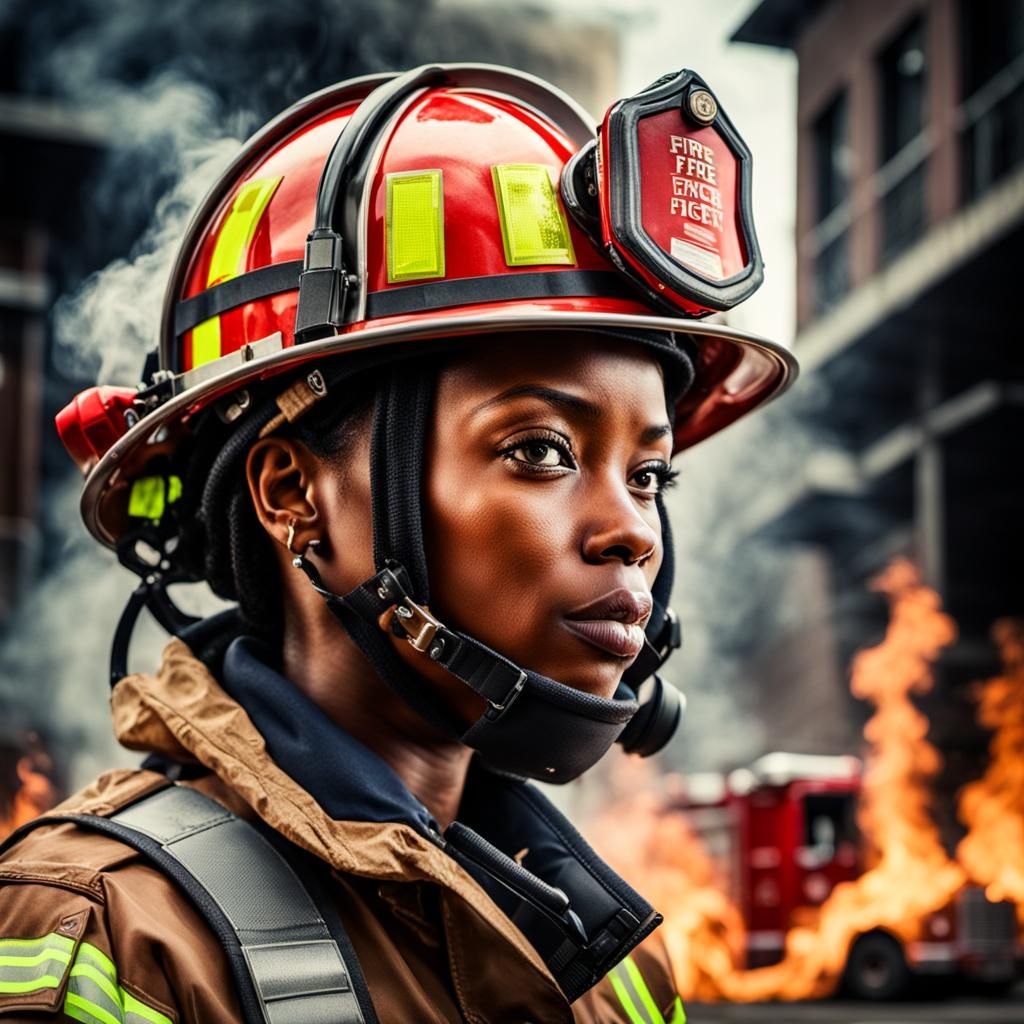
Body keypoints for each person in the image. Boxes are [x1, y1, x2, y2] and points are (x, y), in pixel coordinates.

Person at [0, 64, 795, 1023]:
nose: (632, 532)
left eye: (648, 474)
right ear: (295, 493)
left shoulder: (616, 965)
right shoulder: (105, 936)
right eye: (541, 450)